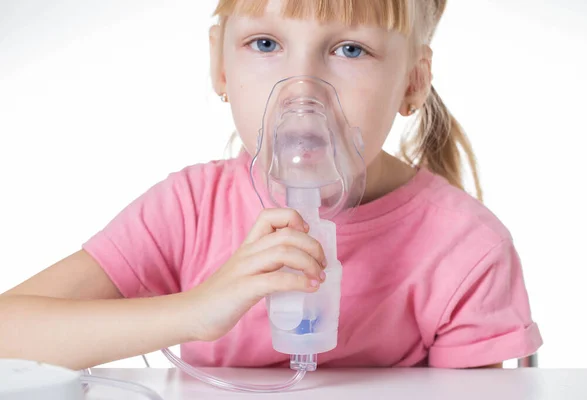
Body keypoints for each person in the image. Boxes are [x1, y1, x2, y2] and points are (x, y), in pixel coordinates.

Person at [0, 0, 542, 371]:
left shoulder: (465, 251)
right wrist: (197, 311)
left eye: (350, 50)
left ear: (413, 80)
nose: (302, 89)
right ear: (220, 64)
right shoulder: (190, 213)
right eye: (264, 43)